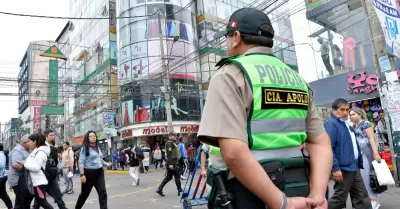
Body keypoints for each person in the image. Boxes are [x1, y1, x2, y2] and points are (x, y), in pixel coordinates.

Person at [197, 7, 333, 209]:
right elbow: (321, 143)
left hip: (248, 193)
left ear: (235, 37)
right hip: (301, 188)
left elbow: (234, 153)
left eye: (227, 37)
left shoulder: (230, 74)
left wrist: (282, 203)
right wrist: (318, 195)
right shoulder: (297, 80)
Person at [325, 99, 372, 209]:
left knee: (361, 196)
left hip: (353, 165)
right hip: (343, 168)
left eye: (347, 110)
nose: (345, 113)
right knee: (339, 198)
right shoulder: (331, 124)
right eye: (342, 110)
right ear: (333, 110)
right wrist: (335, 168)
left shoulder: (346, 123)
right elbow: (329, 147)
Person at [350, 107, 382, 208]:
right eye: (350, 115)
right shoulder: (353, 126)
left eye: (353, 114)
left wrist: (375, 153)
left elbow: (372, 139)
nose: (351, 116)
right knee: (363, 178)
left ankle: (373, 199)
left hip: (366, 152)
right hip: (358, 154)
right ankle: (369, 199)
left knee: (368, 176)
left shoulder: (366, 124)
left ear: (360, 114)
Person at [75, 130, 112, 209]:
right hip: (88, 173)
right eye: (91, 136)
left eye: (94, 136)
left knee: (102, 193)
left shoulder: (97, 147)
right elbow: (81, 162)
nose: (93, 137)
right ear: (87, 138)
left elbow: (99, 158)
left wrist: (106, 163)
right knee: (84, 194)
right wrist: (82, 174)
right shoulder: (85, 148)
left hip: (99, 172)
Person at [17, 134, 54, 209]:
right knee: (26, 202)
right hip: (33, 182)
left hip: (38, 183)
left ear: (35, 142)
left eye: (29, 141)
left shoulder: (40, 153)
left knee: (42, 202)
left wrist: (24, 164)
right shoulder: (36, 151)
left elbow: (36, 168)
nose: (28, 143)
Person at [32, 129, 67, 209]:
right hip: (41, 175)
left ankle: (62, 207)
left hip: (51, 175)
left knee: (56, 192)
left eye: (53, 135)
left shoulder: (54, 148)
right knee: (40, 194)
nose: (53, 137)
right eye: (51, 135)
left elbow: (55, 162)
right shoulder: (40, 148)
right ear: (46, 136)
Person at [156, 132, 182, 197]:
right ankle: (180, 190)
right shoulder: (169, 143)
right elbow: (170, 154)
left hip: (172, 163)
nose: (176, 137)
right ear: (170, 136)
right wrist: (171, 164)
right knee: (177, 176)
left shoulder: (172, 143)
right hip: (172, 163)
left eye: (176, 136)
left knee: (168, 177)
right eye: (174, 136)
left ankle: (160, 189)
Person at [9, 134, 30, 209]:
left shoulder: (25, 150)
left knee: (24, 201)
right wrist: (28, 169)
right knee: (20, 202)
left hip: (22, 180)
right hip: (17, 180)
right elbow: (15, 165)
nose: (31, 144)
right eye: (30, 142)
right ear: (25, 143)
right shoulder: (18, 150)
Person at [0, 143, 13, 209]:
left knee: (3, 194)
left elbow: (1, 165)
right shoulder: (2, 154)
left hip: (1, 177)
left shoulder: (0, 155)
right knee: (2, 194)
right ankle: (10, 206)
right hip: (2, 176)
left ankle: (10, 206)